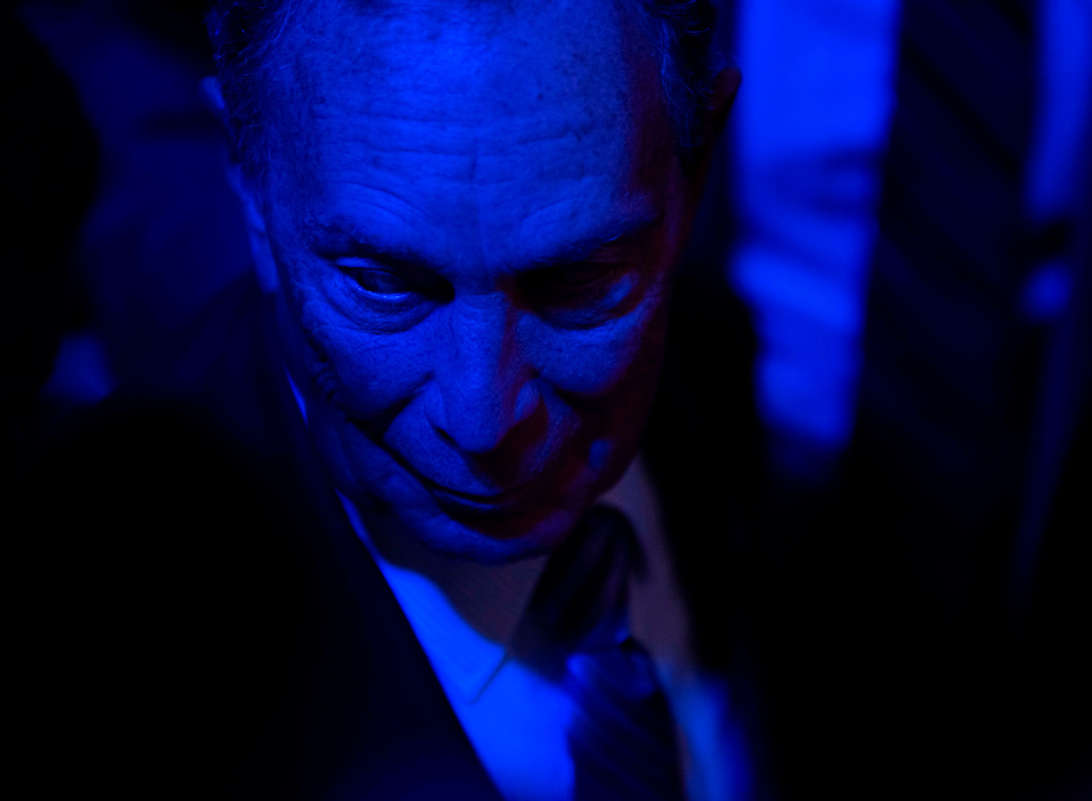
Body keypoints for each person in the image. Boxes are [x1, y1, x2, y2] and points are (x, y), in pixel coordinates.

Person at [187, 1, 738, 798]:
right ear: (249, 188)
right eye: (381, 285)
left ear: (695, 174)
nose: (482, 420)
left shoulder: (739, 407)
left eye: (579, 283)